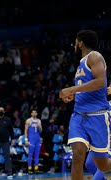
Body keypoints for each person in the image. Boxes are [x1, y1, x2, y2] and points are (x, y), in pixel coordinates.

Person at [59, 29, 111, 179]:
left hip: (97, 116)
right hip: (79, 116)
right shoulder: (81, 63)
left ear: (80, 43)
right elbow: (87, 87)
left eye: (76, 41)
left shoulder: (94, 56)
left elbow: (101, 82)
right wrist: (73, 94)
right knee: (77, 155)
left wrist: (72, 89)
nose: (74, 44)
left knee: (102, 165)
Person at [24, 109, 42, 174]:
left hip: (37, 138)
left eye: (35, 112)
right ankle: (29, 169)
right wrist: (26, 139)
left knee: (37, 154)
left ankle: (36, 169)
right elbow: (25, 130)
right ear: (31, 114)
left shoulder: (39, 121)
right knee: (30, 154)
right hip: (31, 139)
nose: (34, 114)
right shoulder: (28, 121)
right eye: (33, 112)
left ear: (37, 114)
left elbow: (41, 131)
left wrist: (39, 126)